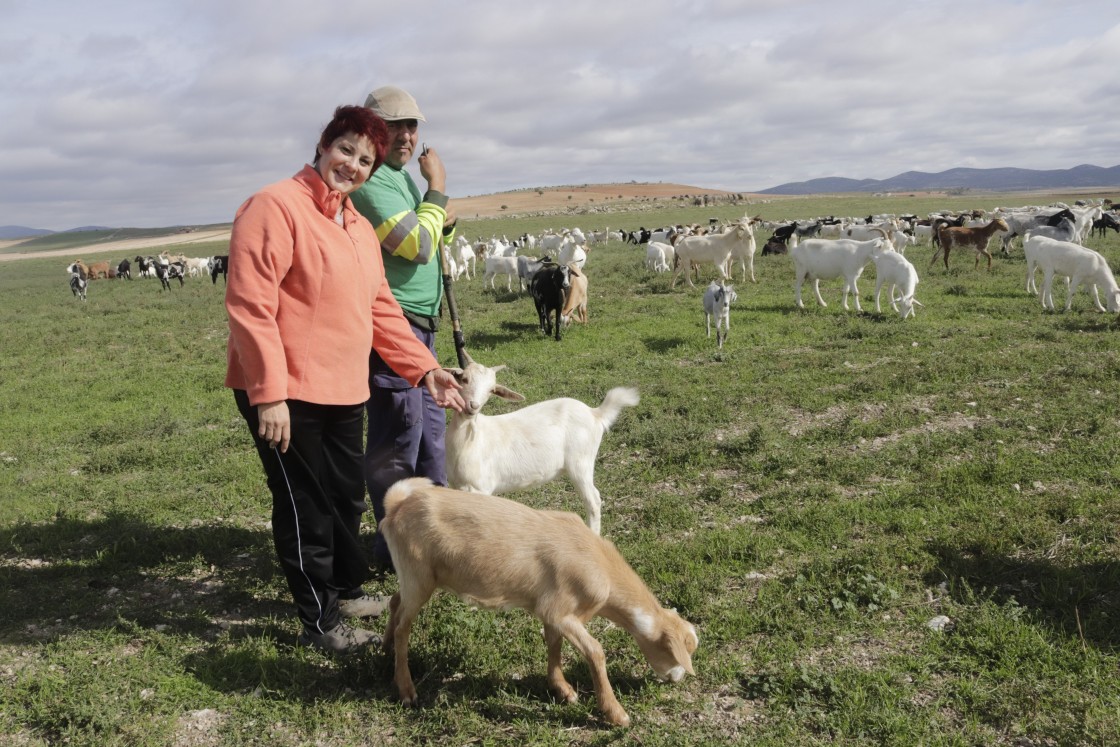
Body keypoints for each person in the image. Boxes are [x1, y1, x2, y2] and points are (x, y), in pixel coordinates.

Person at [224, 105, 464, 655]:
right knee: (304, 503)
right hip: (285, 390)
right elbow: (250, 307)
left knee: (344, 498)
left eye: (366, 160)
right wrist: (269, 395)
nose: (353, 165)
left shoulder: (355, 225)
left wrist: (425, 368)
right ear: (323, 144)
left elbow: (380, 308)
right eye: (346, 150)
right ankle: (321, 620)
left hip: (343, 385)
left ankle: (347, 590)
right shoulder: (274, 207)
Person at [350, 86, 458, 572]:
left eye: (413, 126)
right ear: (373, 130)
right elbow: (415, 244)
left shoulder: (396, 179)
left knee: (431, 437)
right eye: (396, 126)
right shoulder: (373, 183)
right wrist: (436, 187)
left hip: (422, 328)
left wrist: (439, 218)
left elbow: (426, 233)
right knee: (399, 441)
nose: (408, 136)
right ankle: (392, 550)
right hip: (397, 331)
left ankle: (435, 539)